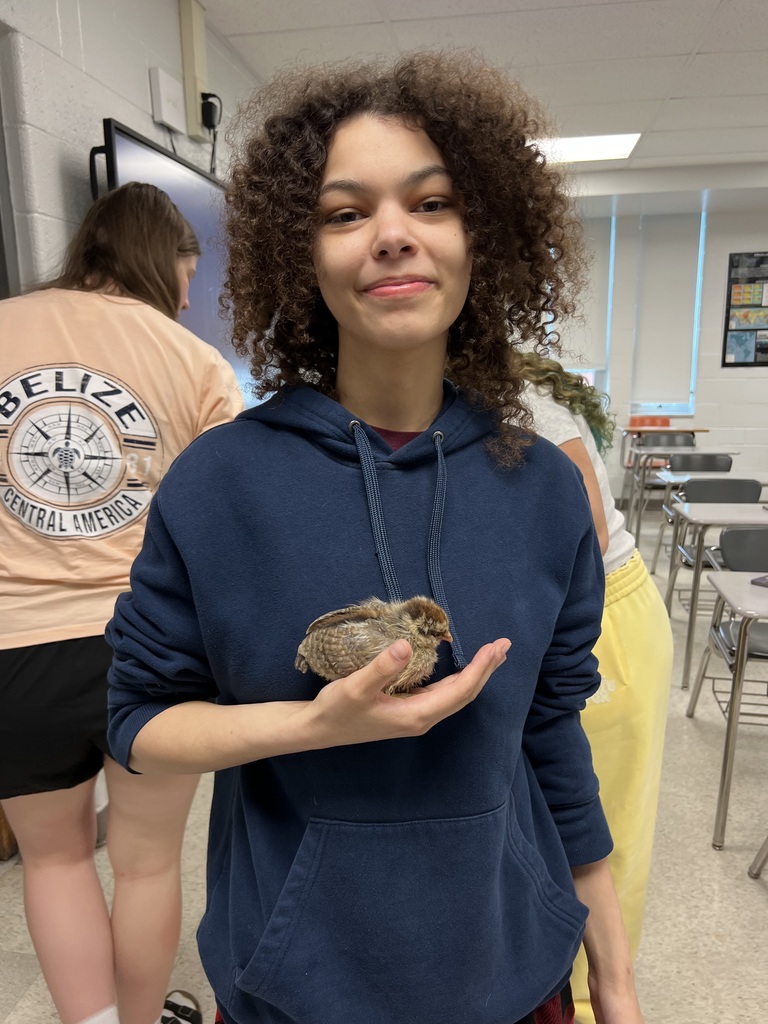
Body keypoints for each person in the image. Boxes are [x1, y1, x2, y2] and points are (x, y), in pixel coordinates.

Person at [107, 54, 644, 1024]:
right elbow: (138, 721)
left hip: (513, 981)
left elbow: (552, 737)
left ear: (484, 235)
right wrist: (309, 725)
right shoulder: (219, 482)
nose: (391, 234)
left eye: (429, 202)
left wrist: (616, 974)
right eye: (346, 212)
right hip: (295, 989)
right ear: (300, 253)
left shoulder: (546, 492)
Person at [0, 182, 243, 1024]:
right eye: (187, 272)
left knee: (53, 861)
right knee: (144, 864)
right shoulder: (195, 362)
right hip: (148, 644)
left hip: (11, 648)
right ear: (161, 258)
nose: (186, 294)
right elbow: (228, 519)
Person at [519, 352, 673, 1024]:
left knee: (592, 832)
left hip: (598, 616)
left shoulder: (523, 405)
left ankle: (588, 1000)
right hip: (562, 615)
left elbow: (580, 545)